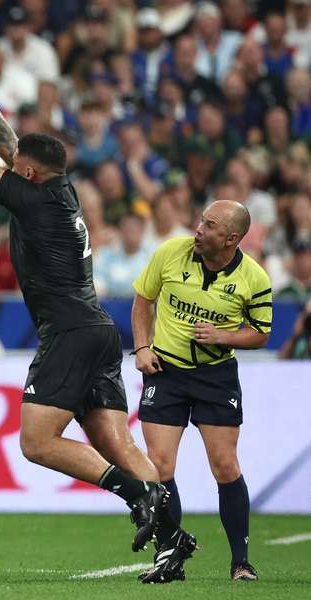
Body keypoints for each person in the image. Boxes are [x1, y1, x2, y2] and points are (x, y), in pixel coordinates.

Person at [0, 34, 189, 571]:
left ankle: (138, 496)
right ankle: (173, 542)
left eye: (15, 163)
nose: (8, 156)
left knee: (37, 441)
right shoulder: (58, 190)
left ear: (26, 173)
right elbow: (3, 140)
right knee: (118, 442)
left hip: (68, 332)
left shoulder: (36, 202)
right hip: (96, 329)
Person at [131, 200, 272, 583]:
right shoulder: (170, 252)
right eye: (200, 220)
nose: (198, 229)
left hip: (215, 376)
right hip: (166, 371)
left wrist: (223, 336)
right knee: (159, 466)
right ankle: (169, 555)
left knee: (225, 465)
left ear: (231, 238)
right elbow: (144, 300)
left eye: (209, 225)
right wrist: (142, 347)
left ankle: (240, 562)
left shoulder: (254, 278)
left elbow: (260, 334)